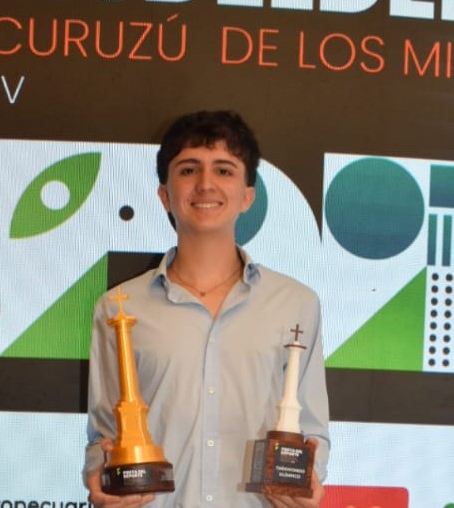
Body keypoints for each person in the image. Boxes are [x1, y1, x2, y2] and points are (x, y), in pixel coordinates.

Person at [84, 110, 330, 507]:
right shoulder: (118, 308)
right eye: (188, 169)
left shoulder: (296, 304)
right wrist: (99, 476)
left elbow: (313, 430)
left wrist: (310, 480)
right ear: (165, 195)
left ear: (247, 196)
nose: (205, 183)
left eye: (224, 170)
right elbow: (104, 435)